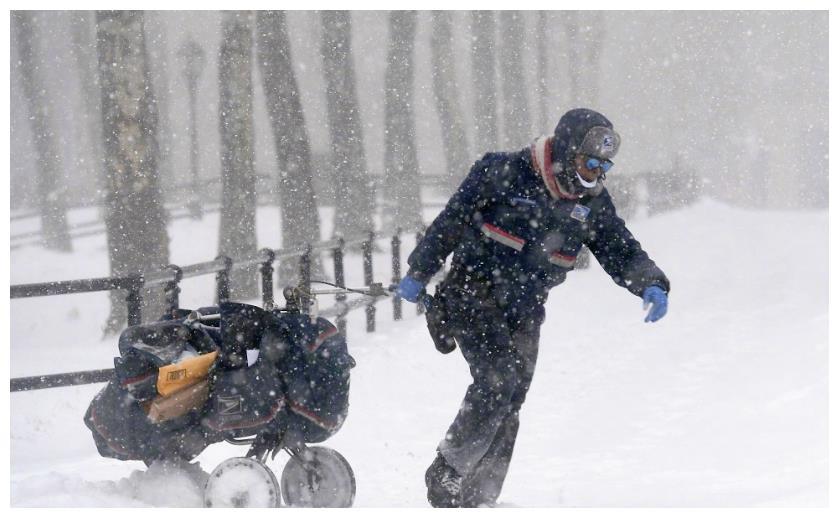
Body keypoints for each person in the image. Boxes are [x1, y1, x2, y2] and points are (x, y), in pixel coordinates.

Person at [395, 108, 670, 507]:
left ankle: (479, 496)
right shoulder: (502, 172)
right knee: (497, 380)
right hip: (472, 293)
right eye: (589, 163)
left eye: (603, 166)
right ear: (565, 152)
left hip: (525, 306)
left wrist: (650, 284)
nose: (595, 173)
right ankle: (448, 472)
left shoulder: (591, 202)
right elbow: (452, 220)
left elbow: (618, 247)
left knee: (512, 396)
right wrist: (419, 270)